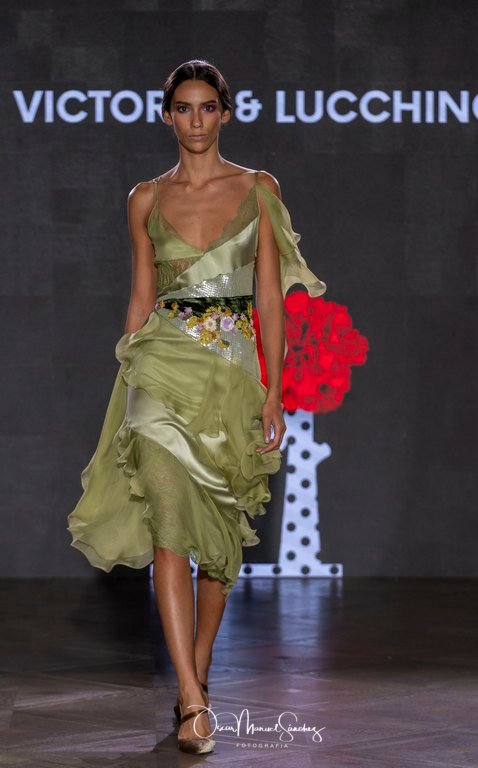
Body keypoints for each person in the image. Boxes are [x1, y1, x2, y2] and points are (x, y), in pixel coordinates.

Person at [67, 58, 326, 754]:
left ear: (225, 113)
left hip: (233, 375)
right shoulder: (145, 199)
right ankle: (189, 696)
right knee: (169, 530)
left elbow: (268, 296)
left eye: (207, 107)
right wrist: (126, 382)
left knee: (218, 544)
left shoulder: (259, 188)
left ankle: (198, 668)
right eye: (183, 108)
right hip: (159, 368)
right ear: (167, 117)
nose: (196, 120)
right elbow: (140, 296)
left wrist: (274, 390)